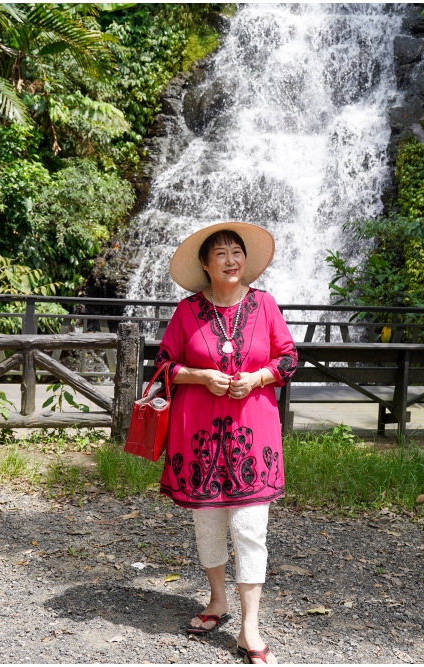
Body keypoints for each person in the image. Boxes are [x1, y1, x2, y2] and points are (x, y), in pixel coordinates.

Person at [156, 222, 296, 665]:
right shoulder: (187, 311)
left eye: (236, 252)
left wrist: (258, 376)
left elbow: (289, 358)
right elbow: (163, 368)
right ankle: (217, 599)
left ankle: (249, 626)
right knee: (209, 523)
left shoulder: (266, 305)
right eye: (220, 253)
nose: (231, 260)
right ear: (205, 264)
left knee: (250, 527)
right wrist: (200, 376)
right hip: (197, 436)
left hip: (254, 435)